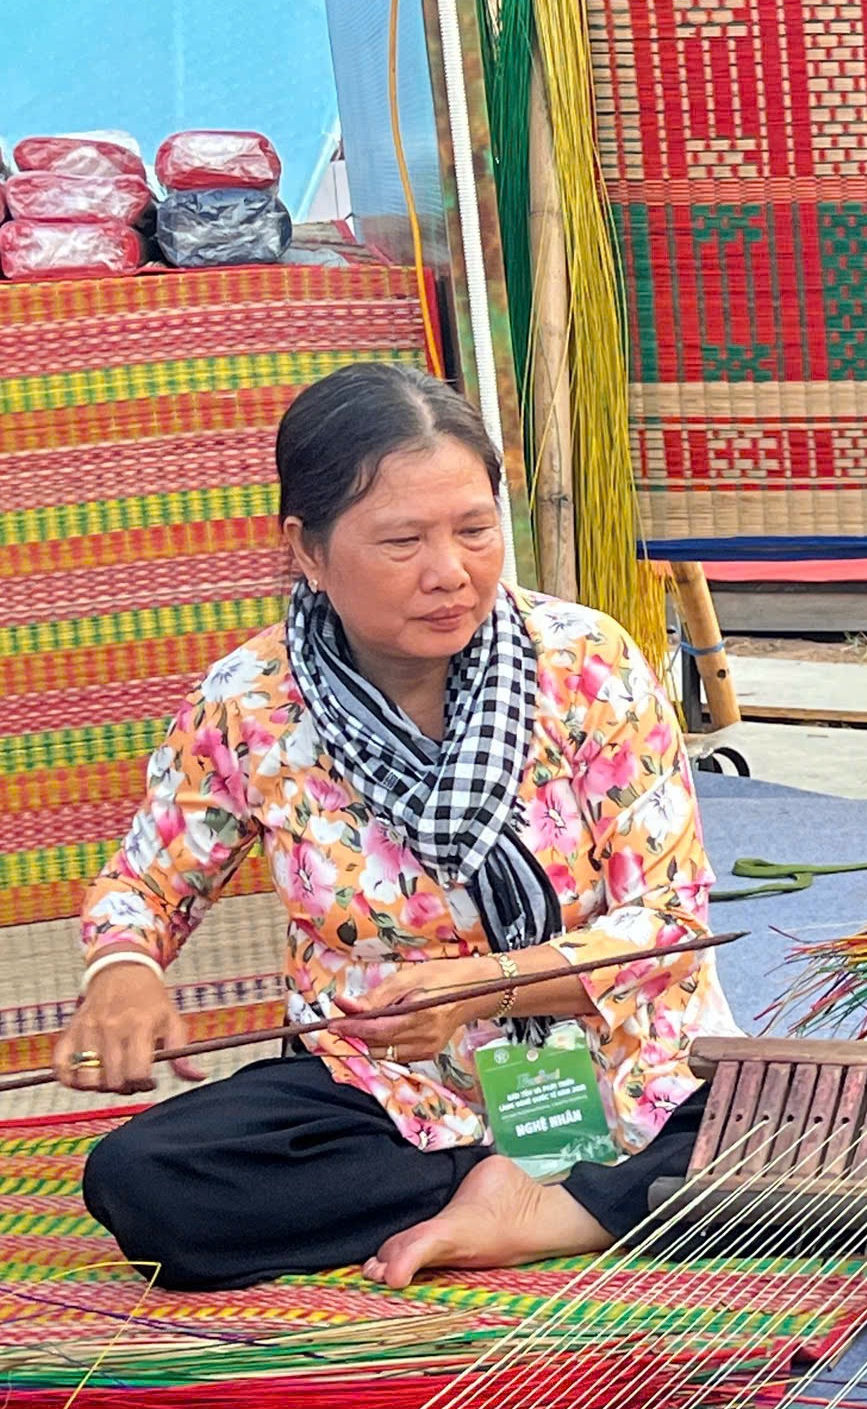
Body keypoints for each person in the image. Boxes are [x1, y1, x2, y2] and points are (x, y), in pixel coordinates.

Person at [54, 363, 735, 1290]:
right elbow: (146, 884)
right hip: (391, 1097)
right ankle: (535, 1192)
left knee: (816, 1134)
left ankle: (558, 1198)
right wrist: (124, 974)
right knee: (148, 1185)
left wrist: (487, 987)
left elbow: (669, 928)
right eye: (402, 540)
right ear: (307, 549)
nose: (449, 573)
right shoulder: (251, 705)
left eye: (475, 530)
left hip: (619, 1063)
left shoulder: (587, 665)